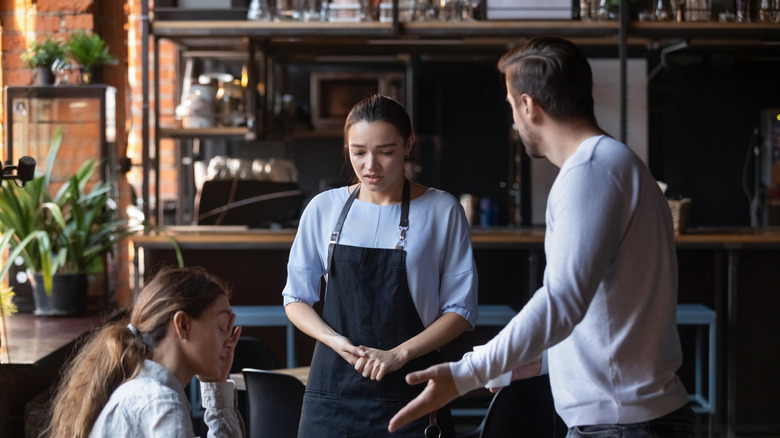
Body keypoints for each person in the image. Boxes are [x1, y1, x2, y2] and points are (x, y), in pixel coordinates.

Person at [389, 36, 695, 437]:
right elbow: (603, 323)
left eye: (511, 106)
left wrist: (466, 374)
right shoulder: (616, 163)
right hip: (631, 418)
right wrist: (518, 362)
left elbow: (561, 301)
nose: (513, 120)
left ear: (528, 105)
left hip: (621, 425)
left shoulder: (590, 172)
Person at [282, 94, 478, 438]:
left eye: (385, 152)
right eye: (358, 152)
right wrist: (335, 340)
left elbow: (461, 311)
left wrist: (399, 354)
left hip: (411, 388)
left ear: (408, 145)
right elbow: (296, 298)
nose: (370, 165)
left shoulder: (442, 209)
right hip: (332, 393)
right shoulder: (322, 208)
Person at [44, 266, 244, 438]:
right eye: (221, 326)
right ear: (183, 325)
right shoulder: (161, 404)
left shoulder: (148, 392)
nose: (228, 340)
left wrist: (216, 386)